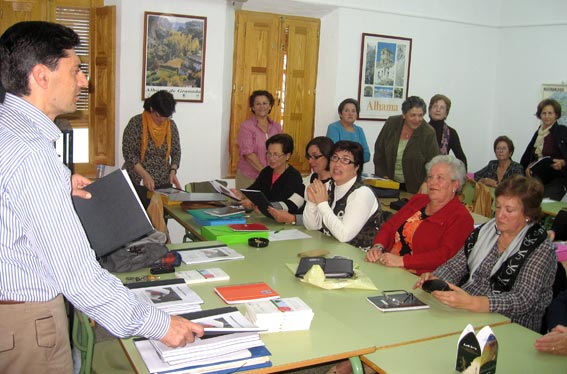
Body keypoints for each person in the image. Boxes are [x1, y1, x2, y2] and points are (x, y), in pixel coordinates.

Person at [0, 21, 203, 373]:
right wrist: (161, 325)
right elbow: (77, 275)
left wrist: (61, 182)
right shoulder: (32, 152)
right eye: (75, 69)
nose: (84, 81)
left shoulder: (10, 130)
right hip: (26, 322)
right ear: (41, 76)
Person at [414, 175, 557, 332]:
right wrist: (436, 278)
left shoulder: (541, 248)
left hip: (510, 325)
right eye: (498, 207)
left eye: (509, 210)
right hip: (466, 312)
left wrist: (474, 303)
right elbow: (456, 265)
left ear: (528, 215)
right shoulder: (486, 231)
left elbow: (522, 299)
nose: (500, 215)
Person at [365, 155, 473, 274]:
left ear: (455, 185)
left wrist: (403, 261)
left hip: (419, 278)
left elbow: (444, 256)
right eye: (430, 177)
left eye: (440, 178)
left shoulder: (461, 218)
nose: (432, 182)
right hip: (387, 265)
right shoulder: (418, 201)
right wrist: (378, 247)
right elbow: (389, 226)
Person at [304, 141, 383, 249]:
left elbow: (344, 235)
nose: (337, 164)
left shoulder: (362, 193)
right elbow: (312, 227)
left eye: (345, 160)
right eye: (335, 158)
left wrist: (322, 204)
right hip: (332, 249)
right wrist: (312, 202)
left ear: (356, 167)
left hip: (360, 258)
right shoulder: (329, 186)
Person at [373, 96, 440, 193]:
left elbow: (434, 162)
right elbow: (379, 151)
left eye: (420, 115)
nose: (417, 119)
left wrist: (426, 182)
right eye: (412, 115)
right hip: (389, 183)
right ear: (404, 115)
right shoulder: (392, 123)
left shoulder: (428, 133)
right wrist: (383, 175)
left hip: (415, 187)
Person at [122, 90, 181, 192]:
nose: (162, 120)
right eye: (158, 115)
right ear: (151, 108)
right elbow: (129, 153)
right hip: (138, 181)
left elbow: (176, 152)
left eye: (166, 116)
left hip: (163, 183)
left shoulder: (171, 126)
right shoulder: (136, 123)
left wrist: (173, 171)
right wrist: (145, 175)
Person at [269, 136, 333, 224]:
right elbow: (293, 203)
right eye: (309, 157)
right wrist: (267, 206)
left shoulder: (335, 185)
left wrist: (293, 219)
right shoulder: (308, 180)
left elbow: (324, 220)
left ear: (328, 155)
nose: (310, 161)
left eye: (315, 156)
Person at [238, 133, 305, 216]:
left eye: (276, 155)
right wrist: (240, 194)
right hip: (265, 217)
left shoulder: (294, 176)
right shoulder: (266, 171)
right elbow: (254, 189)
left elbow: (291, 205)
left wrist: (262, 207)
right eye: (269, 154)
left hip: (284, 221)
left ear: (287, 156)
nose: (271, 158)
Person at [520, 98, 567, 200]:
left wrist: (563, 162)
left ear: (556, 115)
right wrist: (528, 167)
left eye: (550, 113)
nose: (546, 116)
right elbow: (528, 156)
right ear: (540, 115)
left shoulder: (562, 131)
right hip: (536, 178)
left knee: (544, 207)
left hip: (555, 179)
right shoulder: (538, 133)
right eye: (544, 113)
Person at [235, 90, 282, 189]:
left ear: (270, 106)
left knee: (268, 204)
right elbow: (248, 154)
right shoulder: (246, 126)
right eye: (258, 104)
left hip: (272, 177)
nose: (262, 107)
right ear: (252, 107)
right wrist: (265, 173)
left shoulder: (276, 127)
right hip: (249, 177)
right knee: (247, 204)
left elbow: (281, 151)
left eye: (265, 103)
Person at [428, 94, 467, 168]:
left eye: (442, 108)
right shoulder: (420, 130)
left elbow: (461, 158)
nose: (438, 110)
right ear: (429, 110)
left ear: (446, 113)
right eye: (435, 106)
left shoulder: (451, 133)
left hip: (441, 173)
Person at [326, 98, 370, 162]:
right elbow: (334, 153)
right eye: (347, 110)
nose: (350, 113)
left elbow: (367, 155)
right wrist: (353, 159)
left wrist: (353, 161)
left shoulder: (359, 130)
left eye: (353, 111)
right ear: (340, 113)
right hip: (338, 167)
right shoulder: (333, 128)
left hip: (356, 169)